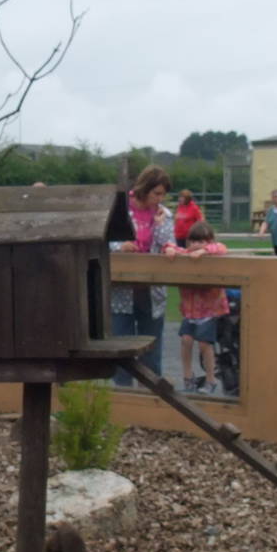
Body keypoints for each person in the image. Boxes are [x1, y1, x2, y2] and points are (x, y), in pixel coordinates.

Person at [111, 165, 173, 386]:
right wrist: (120, 246)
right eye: (156, 193)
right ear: (144, 189)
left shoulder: (163, 214)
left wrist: (160, 226)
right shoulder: (118, 209)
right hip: (121, 290)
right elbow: (102, 240)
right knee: (121, 349)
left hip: (152, 290)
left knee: (152, 352)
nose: (160, 198)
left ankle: (153, 402)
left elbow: (168, 246)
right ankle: (124, 405)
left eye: (163, 194)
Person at [165, 220, 230, 393]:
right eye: (193, 241)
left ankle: (211, 379)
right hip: (190, 311)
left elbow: (222, 248)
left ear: (208, 241)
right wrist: (169, 250)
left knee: (204, 344)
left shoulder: (212, 252)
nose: (195, 245)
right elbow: (169, 246)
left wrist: (203, 251)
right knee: (186, 340)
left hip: (209, 311)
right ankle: (188, 376)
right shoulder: (186, 254)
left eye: (200, 241)